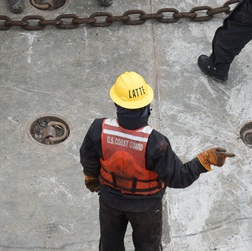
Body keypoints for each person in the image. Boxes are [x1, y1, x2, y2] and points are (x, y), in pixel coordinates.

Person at [79, 72, 230, 251]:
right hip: (146, 207)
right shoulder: (155, 142)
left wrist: (91, 176)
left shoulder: (99, 129)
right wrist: (203, 160)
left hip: (109, 201)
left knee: (110, 244)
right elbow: (178, 178)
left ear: (117, 103)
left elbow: (88, 158)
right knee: (148, 247)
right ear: (146, 106)